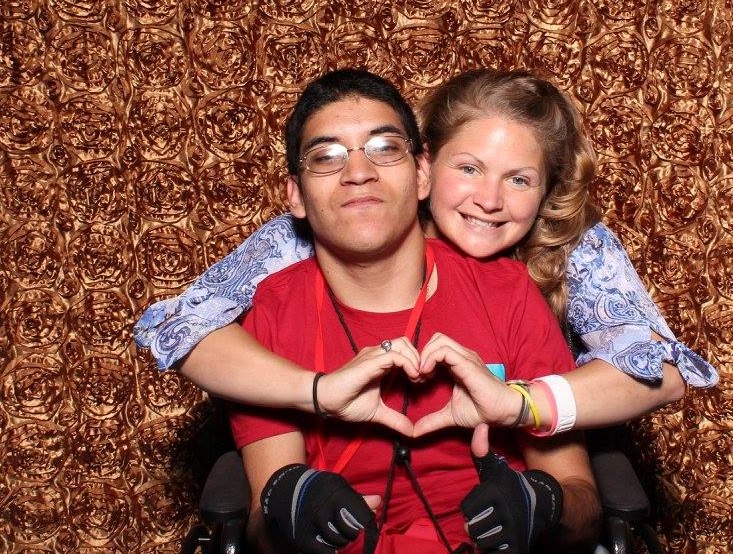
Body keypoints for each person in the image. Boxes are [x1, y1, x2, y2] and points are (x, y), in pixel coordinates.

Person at [133, 68, 717, 435]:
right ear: (424, 167)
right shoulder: (342, 221)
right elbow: (182, 328)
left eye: (519, 180)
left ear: (546, 193)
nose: (489, 200)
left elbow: (663, 372)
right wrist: (316, 391)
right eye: (469, 169)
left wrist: (517, 404)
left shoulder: (577, 244)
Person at [227, 68, 599, 554]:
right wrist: (288, 506)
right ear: (295, 194)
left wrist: (543, 503)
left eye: (384, 148)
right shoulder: (273, 308)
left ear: (422, 173)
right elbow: (259, 525)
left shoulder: (507, 292)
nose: (358, 172)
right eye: (326, 156)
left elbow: (584, 502)